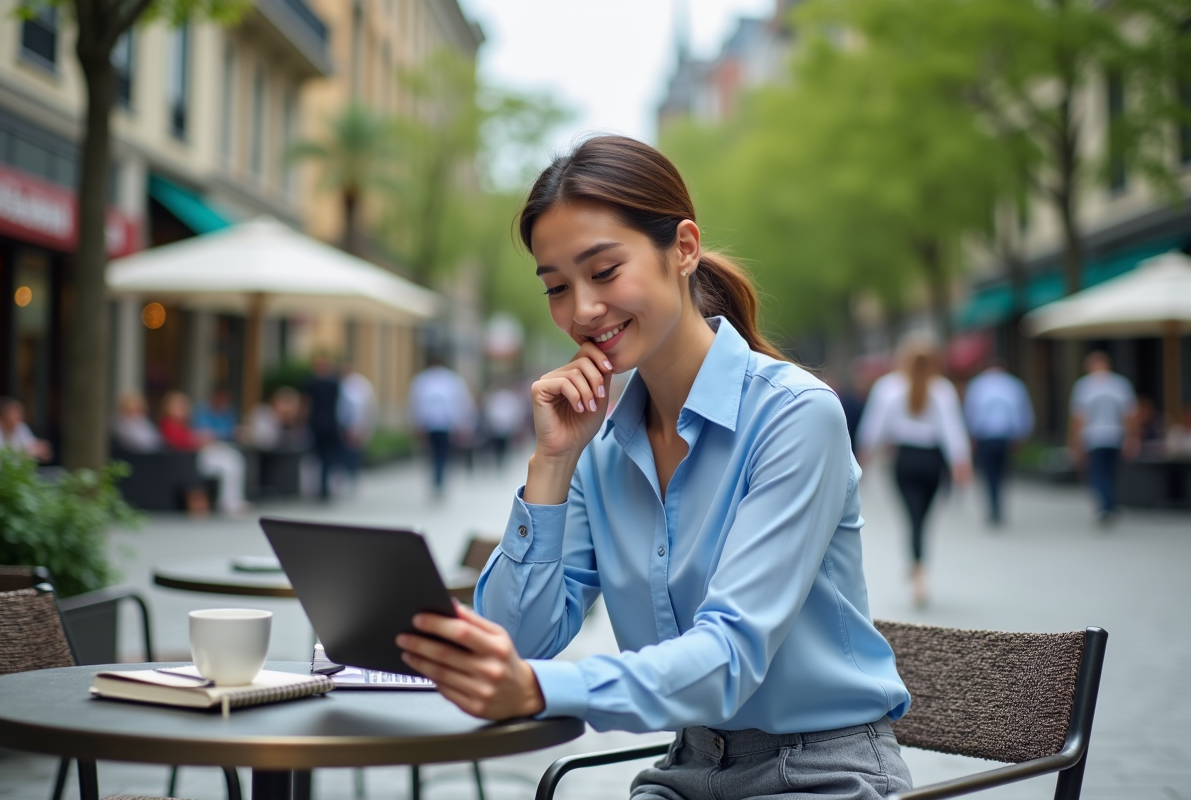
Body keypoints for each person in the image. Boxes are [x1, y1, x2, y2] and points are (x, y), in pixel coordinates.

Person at [395, 136, 912, 799]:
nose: (580, 310)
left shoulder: (794, 416)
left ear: (685, 248)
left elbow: (729, 656)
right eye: (557, 286)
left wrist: (539, 690)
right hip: (686, 772)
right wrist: (552, 464)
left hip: (819, 776)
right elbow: (518, 642)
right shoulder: (601, 448)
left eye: (604, 272)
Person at [857, 336, 971, 607]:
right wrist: (961, 462)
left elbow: (873, 428)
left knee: (913, 516)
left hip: (905, 460)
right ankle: (919, 566)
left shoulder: (888, 388)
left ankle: (917, 567)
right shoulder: (942, 390)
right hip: (933, 462)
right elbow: (953, 430)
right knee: (923, 518)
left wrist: (863, 461)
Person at [1069, 351, 1138, 524]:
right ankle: (1110, 505)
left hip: (1094, 437)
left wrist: (1076, 442)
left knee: (1098, 475)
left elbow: (1079, 417)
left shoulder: (1084, 385)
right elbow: (1129, 414)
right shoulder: (1120, 383)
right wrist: (1131, 437)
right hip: (1114, 435)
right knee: (1109, 473)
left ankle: (1107, 506)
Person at [963, 358, 1034, 526]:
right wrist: (1021, 434)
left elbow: (970, 412)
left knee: (989, 474)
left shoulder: (978, 385)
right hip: (1004, 436)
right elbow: (1023, 412)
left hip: (986, 436)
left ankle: (994, 506)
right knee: (1002, 474)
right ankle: (997, 506)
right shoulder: (1014, 385)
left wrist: (970, 436)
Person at [158, 391, 249, 515]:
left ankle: (234, 499)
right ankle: (228, 502)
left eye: (184, 405)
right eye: (178, 405)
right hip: (190, 461)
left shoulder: (185, 424)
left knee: (233, 458)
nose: (183, 409)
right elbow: (182, 442)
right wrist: (199, 440)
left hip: (196, 456)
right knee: (229, 463)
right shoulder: (168, 424)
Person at [408, 354, 475, 495]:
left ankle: (438, 476)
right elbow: (462, 403)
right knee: (439, 453)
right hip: (440, 424)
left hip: (437, 424)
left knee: (437, 453)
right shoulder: (450, 380)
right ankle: (438, 476)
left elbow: (415, 403)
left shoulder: (424, 380)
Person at [301, 353, 343, 501]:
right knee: (328, 458)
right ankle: (325, 488)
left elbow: (305, 405)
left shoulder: (310, 382)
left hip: (316, 424)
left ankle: (319, 487)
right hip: (331, 424)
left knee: (316, 458)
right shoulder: (334, 383)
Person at [338, 363, 378, 486]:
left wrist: (362, 427)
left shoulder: (361, 385)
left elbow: (366, 407)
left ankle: (352, 474)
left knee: (353, 452)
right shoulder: (339, 383)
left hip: (356, 425)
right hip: (341, 425)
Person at [0, 396, 52, 461]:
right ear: (3, 414)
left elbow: (32, 446)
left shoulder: (20, 426)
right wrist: (26, 453)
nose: (20, 416)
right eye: (16, 413)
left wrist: (40, 447)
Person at [482, 380, 526, 469]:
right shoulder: (494, 396)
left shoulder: (509, 396)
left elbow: (515, 410)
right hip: (496, 424)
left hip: (505, 425)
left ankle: (501, 459)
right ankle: (498, 459)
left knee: (504, 444)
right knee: (497, 444)